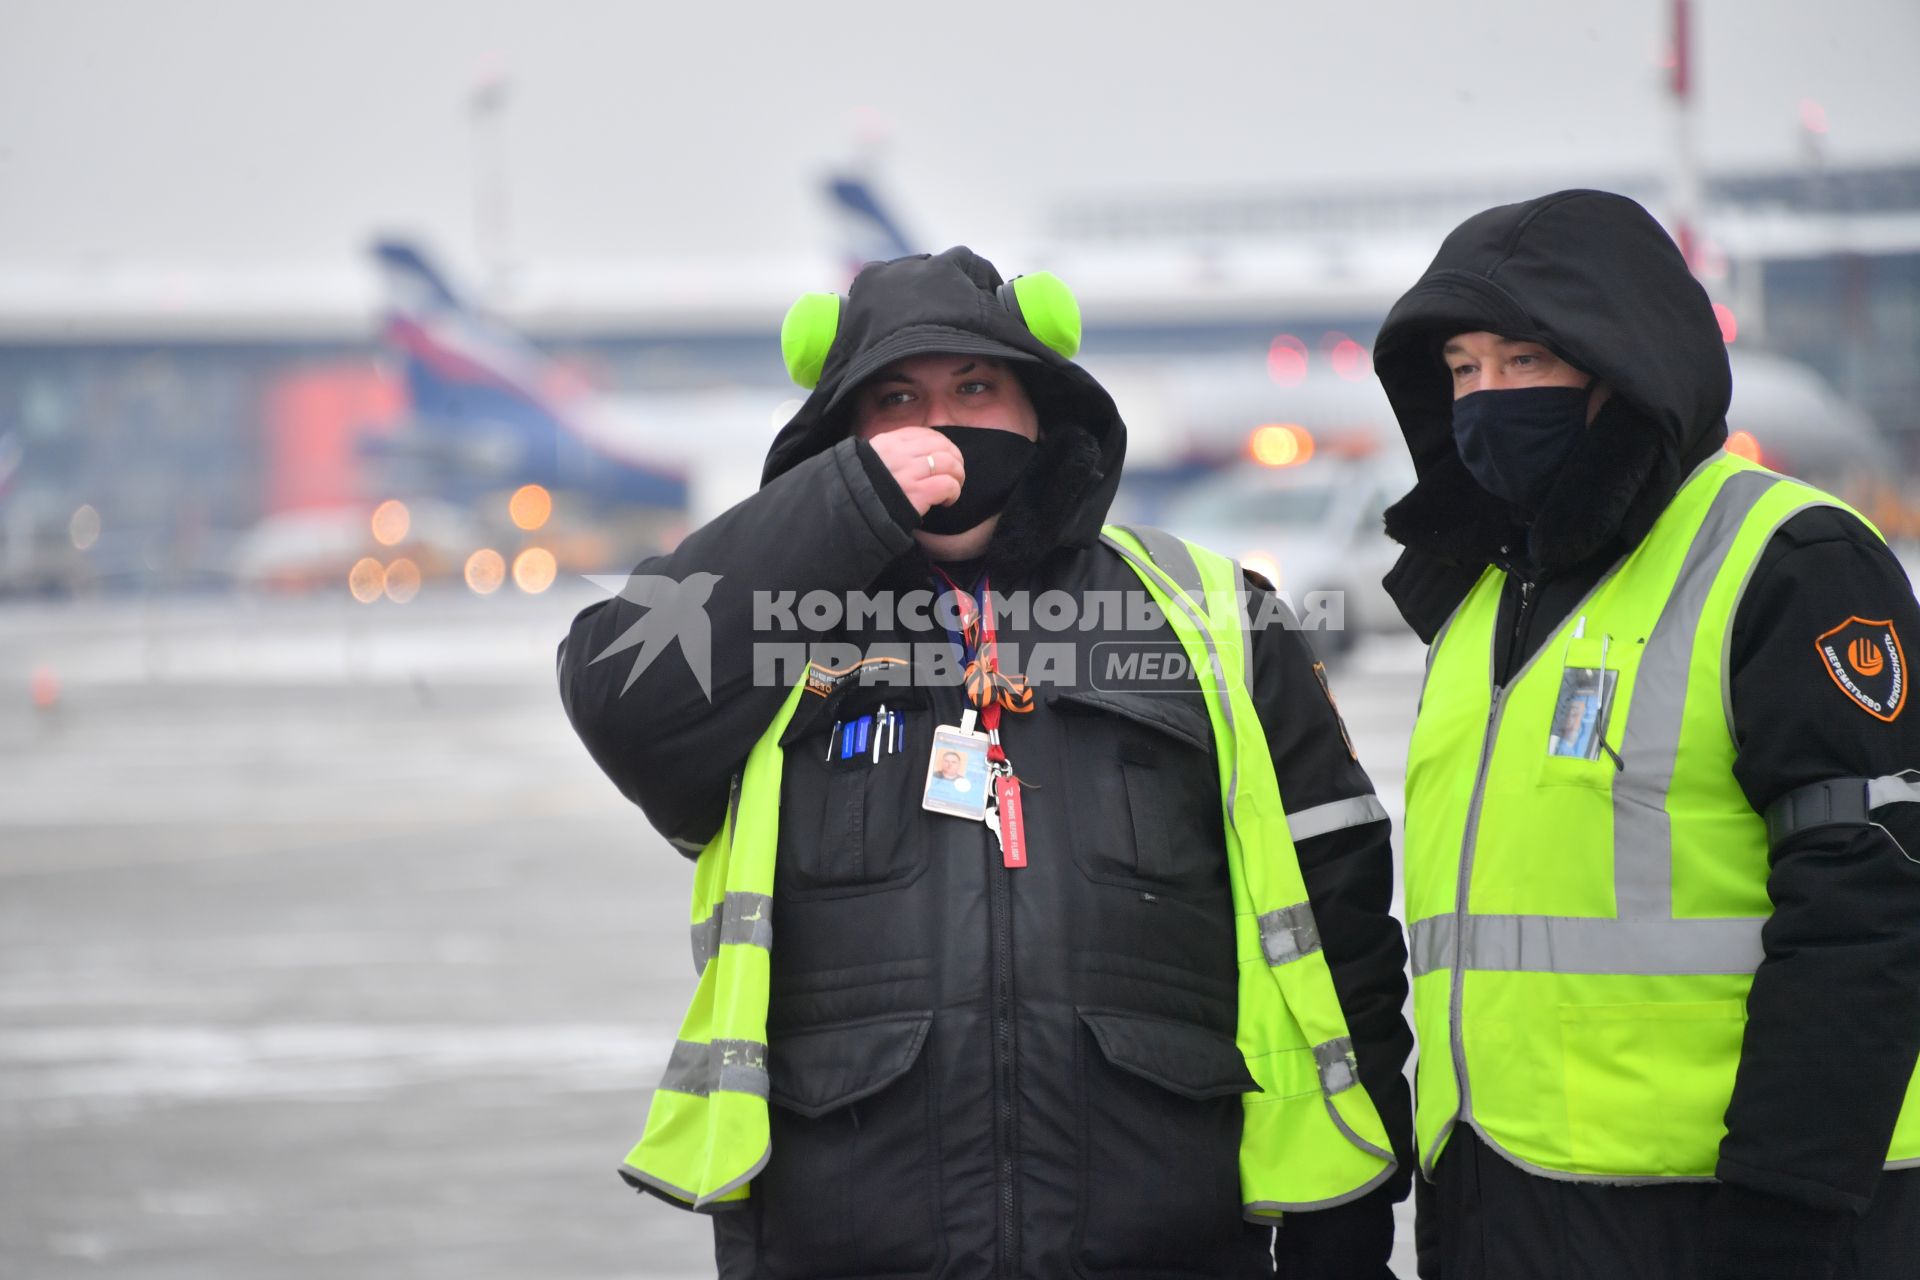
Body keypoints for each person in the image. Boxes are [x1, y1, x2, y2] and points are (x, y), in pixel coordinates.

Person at [557, 246, 1415, 1277]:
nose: (942, 422)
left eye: (975, 387)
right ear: (843, 434)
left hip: (1168, 1236)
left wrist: (1350, 1214)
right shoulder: (777, 630)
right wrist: (838, 509)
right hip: (846, 1243)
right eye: (897, 400)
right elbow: (615, 688)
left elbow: (1342, 918)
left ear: (1041, 410)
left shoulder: (1210, 611)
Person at [1373, 189, 1920, 1279]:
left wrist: (1791, 1200)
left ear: (1623, 363)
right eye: (1463, 370)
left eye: (1524, 361)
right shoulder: (1481, 600)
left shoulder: (1787, 559)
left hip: (1733, 1211)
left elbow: (1873, 906)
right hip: (1496, 1196)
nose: (1485, 397)